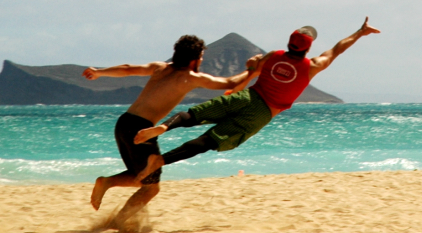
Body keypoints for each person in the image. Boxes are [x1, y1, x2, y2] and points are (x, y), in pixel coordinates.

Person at [133, 17, 380, 181]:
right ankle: (160, 160)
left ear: (289, 43)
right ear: (307, 48)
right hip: (262, 112)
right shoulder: (312, 65)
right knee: (209, 140)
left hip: (247, 95)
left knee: (195, 114)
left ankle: (165, 127)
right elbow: (337, 48)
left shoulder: (272, 55)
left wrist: (253, 64)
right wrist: (360, 32)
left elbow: (253, 66)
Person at [82, 34, 258, 229]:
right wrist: (253, 69)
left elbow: (127, 69)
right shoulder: (190, 77)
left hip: (124, 123)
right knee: (151, 187)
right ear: (194, 59)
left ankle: (112, 199)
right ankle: (115, 215)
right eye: (201, 57)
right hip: (142, 128)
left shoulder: (159, 67)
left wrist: (100, 72)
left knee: (140, 176)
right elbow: (230, 83)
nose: (201, 61)